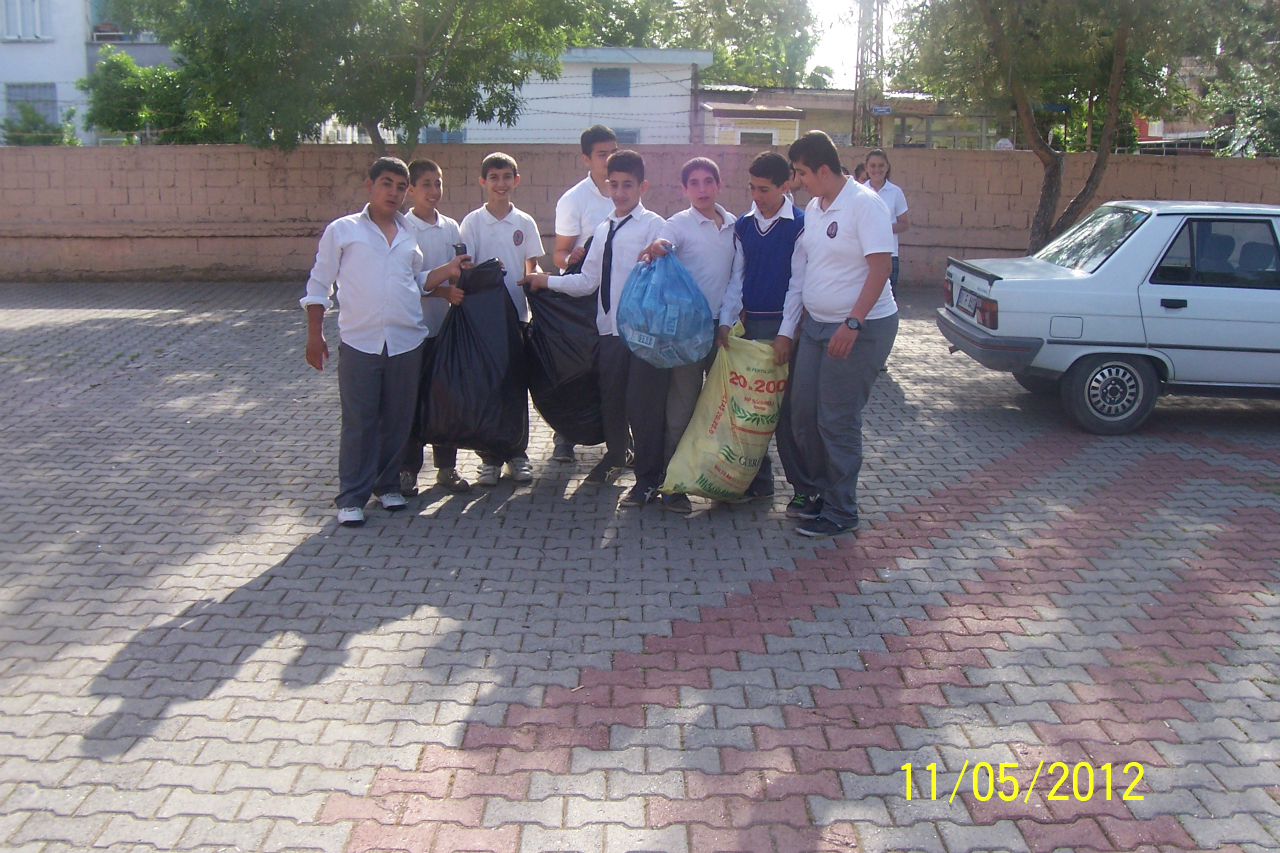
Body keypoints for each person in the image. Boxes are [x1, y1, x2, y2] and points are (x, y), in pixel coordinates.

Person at [302, 156, 469, 527]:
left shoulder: (408, 232)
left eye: (398, 186)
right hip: (360, 342)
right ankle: (351, 497)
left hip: (407, 340)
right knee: (360, 421)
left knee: (398, 418)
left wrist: (447, 273)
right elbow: (319, 283)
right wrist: (314, 335)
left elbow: (416, 280)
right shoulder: (343, 231)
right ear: (369, 185)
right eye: (386, 184)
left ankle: (388, 485)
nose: (392, 192)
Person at [521, 150, 664, 503]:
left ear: (642, 186)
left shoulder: (655, 225)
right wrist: (546, 282)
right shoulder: (602, 229)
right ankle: (617, 455)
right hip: (609, 331)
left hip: (644, 334)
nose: (619, 192)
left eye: (627, 185)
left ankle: (649, 478)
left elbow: (664, 277)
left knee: (643, 406)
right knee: (610, 399)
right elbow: (587, 281)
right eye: (613, 184)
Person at [779, 131, 897, 539]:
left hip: (859, 329)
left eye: (801, 173)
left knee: (836, 420)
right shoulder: (814, 207)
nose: (798, 181)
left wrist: (853, 322)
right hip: (815, 327)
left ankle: (842, 509)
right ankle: (818, 494)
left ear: (824, 170)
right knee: (802, 416)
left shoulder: (865, 205)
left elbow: (881, 269)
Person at [640, 157, 736, 514]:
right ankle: (673, 483)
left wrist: (726, 321)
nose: (701, 189)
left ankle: (724, 481)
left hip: (723, 331)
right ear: (684, 189)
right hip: (685, 334)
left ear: (719, 185)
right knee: (682, 406)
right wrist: (658, 245)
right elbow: (665, 240)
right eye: (693, 183)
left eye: (708, 181)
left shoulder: (733, 226)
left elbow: (736, 281)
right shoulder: (678, 223)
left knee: (724, 408)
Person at [716, 151, 807, 502]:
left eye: (765, 189)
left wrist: (787, 334)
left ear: (785, 186)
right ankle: (755, 481)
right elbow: (736, 279)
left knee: (785, 417)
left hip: (783, 333)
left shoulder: (799, 224)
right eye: (752, 188)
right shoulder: (743, 225)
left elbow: (798, 284)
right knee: (749, 411)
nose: (757, 196)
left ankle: (803, 490)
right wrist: (726, 321)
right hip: (749, 329)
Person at [458, 152, 546, 487]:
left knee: (515, 388)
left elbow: (532, 267)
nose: (500, 184)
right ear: (483, 182)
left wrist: (534, 281)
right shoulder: (472, 223)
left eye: (507, 177)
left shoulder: (524, 222)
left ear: (516, 181)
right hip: (484, 323)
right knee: (488, 389)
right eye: (493, 177)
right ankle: (489, 459)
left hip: (519, 319)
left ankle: (517, 455)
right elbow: (467, 269)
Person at [399, 158, 472, 497]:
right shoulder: (402, 229)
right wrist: (442, 289)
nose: (433, 191)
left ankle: (446, 467)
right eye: (425, 184)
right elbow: (403, 282)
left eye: (438, 183)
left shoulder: (451, 227)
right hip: (413, 331)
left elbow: (459, 271)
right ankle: (407, 471)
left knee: (446, 400)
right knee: (410, 402)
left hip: (445, 330)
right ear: (410, 189)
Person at [548, 125, 619, 464]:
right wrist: (571, 257)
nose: (609, 159)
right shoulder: (573, 200)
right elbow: (558, 256)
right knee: (578, 368)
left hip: (618, 296)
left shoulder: (625, 191)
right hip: (581, 300)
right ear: (586, 159)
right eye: (602, 153)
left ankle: (619, 439)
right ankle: (565, 436)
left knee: (613, 368)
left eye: (613, 151)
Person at [863, 149, 909, 292]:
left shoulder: (895, 192)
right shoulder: (859, 191)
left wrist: (882, 228)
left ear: (887, 167)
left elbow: (904, 224)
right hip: (862, 254)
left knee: (889, 297)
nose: (877, 170)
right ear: (866, 168)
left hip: (889, 254)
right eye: (873, 165)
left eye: (881, 165)